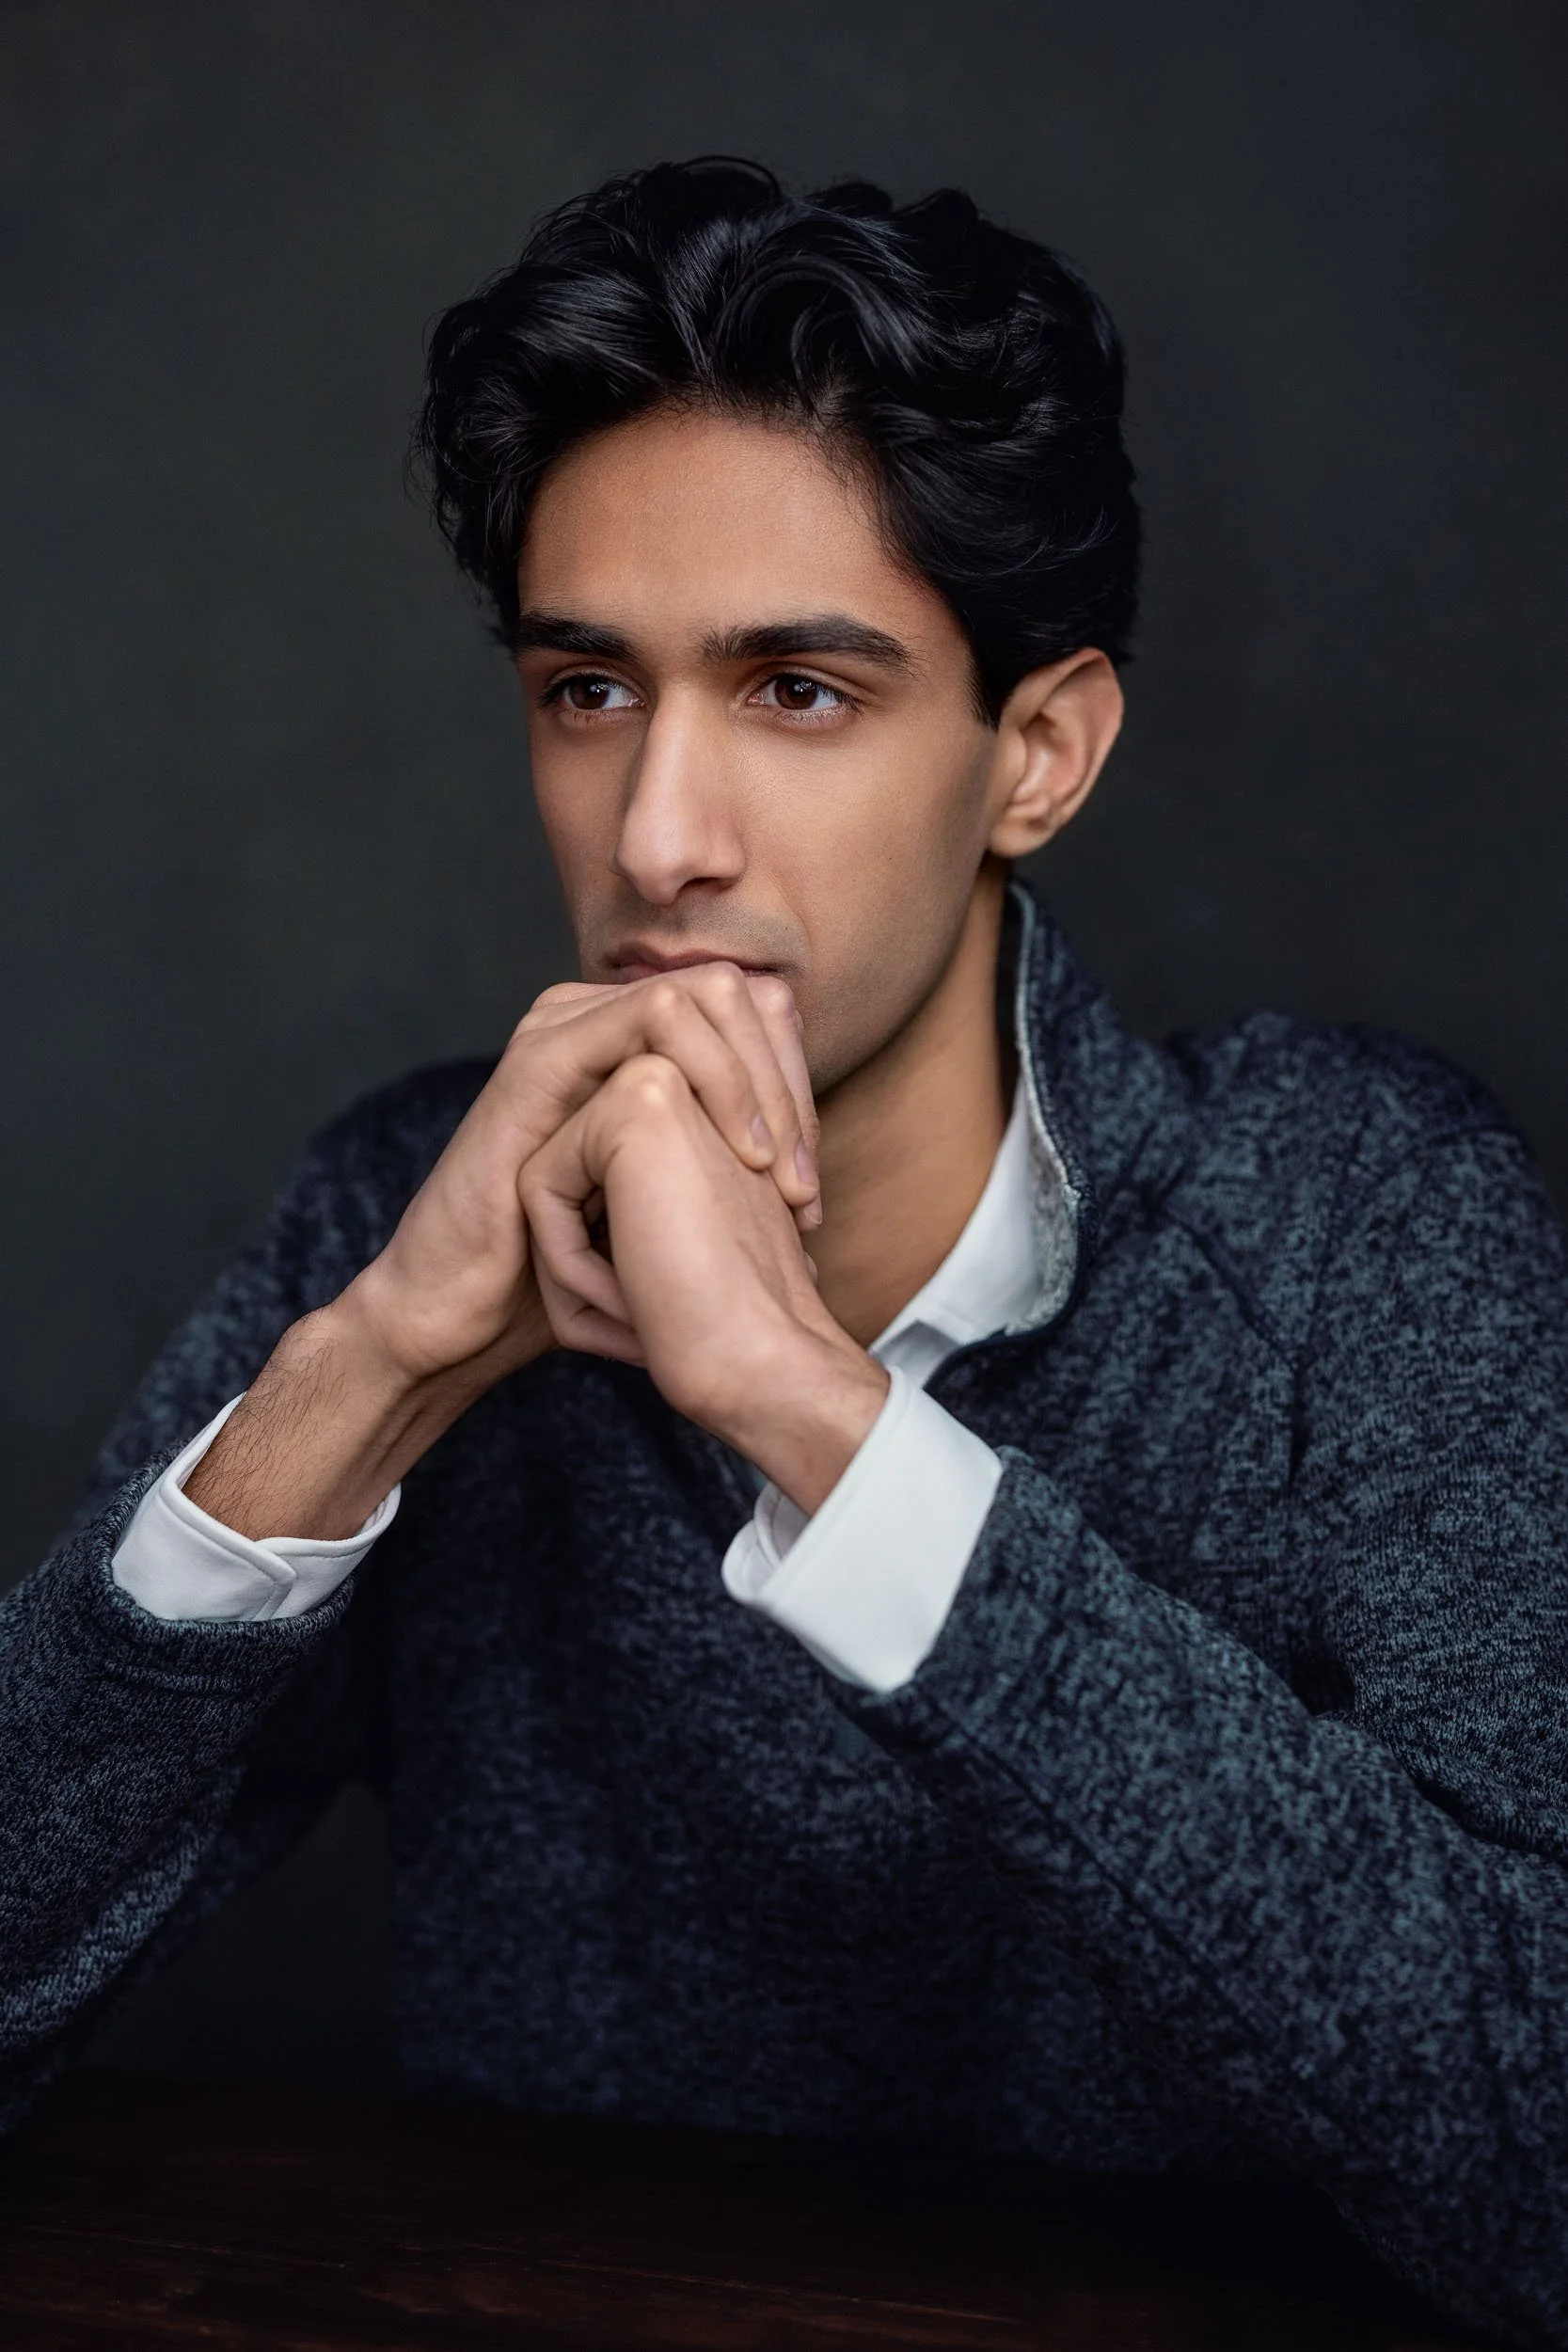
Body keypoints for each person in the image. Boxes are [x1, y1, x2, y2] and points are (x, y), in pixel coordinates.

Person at [3, 157, 1565, 2346]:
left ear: (1035, 749)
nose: (654, 831)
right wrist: (358, 1380)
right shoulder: (396, 1210)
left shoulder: (1352, 1216)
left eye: (795, 691)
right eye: (585, 688)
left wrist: (814, 1423)